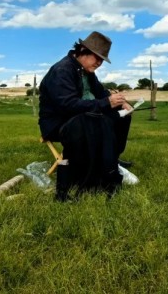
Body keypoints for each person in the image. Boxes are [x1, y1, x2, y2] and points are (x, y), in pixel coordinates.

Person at [38, 31, 133, 200]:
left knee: (122, 115)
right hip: (57, 123)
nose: (99, 63)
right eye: (96, 57)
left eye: (102, 59)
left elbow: (101, 93)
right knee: (94, 120)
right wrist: (105, 103)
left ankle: (111, 160)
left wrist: (119, 102)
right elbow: (67, 106)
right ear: (82, 50)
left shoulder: (86, 71)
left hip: (80, 118)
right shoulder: (62, 70)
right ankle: (98, 170)